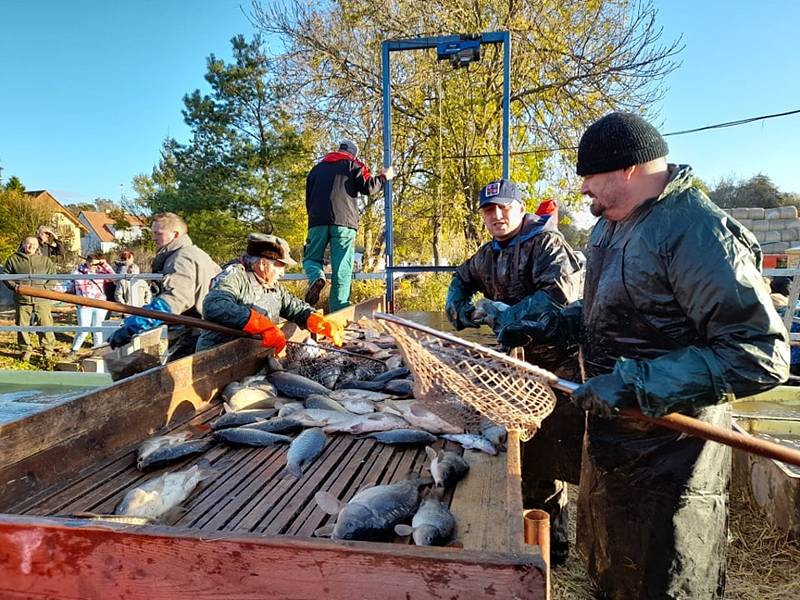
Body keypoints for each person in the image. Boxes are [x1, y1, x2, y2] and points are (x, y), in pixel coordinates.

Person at [501, 112, 789, 598]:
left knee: (664, 577)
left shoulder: (697, 232)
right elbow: (611, 306)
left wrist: (635, 384)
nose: (584, 190)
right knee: (613, 571)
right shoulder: (610, 227)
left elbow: (758, 353)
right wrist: (558, 321)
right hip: (614, 444)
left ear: (629, 169)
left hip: (671, 457)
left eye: (589, 176)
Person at [444, 179, 584, 566]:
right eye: (489, 210)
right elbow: (461, 278)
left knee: (548, 454)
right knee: (522, 448)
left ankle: (554, 552)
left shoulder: (547, 244)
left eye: (504, 207)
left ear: (521, 209)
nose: (497, 215)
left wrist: (506, 313)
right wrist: (459, 308)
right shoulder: (488, 254)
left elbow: (559, 296)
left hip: (558, 363)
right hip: (517, 362)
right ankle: (524, 534)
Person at [197, 233, 343, 352]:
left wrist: (316, 320)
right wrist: (259, 324)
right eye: (280, 266)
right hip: (218, 358)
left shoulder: (273, 285)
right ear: (262, 263)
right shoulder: (234, 275)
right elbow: (214, 305)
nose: (282, 273)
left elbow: (294, 307)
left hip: (251, 355)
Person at [108, 212, 220, 359]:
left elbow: (175, 300)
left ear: (175, 234)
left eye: (158, 233)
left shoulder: (181, 258)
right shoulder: (199, 254)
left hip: (197, 333)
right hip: (207, 331)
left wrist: (133, 326)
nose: (153, 238)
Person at [303, 139, 394, 312]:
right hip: (344, 223)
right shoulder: (353, 165)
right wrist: (384, 177)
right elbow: (368, 187)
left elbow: (308, 199)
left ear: (338, 150)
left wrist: (314, 218)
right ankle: (339, 310)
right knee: (342, 268)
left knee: (311, 258)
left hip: (317, 221)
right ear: (353, 153)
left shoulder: (316, 169)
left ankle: (316, 277)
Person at [2, 236, 57, 360]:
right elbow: (5, 276)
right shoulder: (13, 259)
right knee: (22, 325)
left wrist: (46, 290)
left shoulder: (45, 260)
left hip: (42, 299)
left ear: (38, 246)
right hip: (22, 299)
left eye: (33, 244)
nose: (31, 246)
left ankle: (47, 350)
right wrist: (15, 287)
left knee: (45, 324)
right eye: (28, 244)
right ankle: (25, 349)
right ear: (23, 244)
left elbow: (53, 276)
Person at [67, 252, 116, 358]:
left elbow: (114, 277)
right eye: (92, 264)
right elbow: (67, 286)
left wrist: (105, 264)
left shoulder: (101, 272)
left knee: (97, 329)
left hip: (100, 304)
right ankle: (74, 350)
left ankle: (97, 352)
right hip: (84, 305)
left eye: (96, 264)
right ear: (87, 262)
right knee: (83, 329)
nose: (94, 266)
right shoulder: (77, 273)